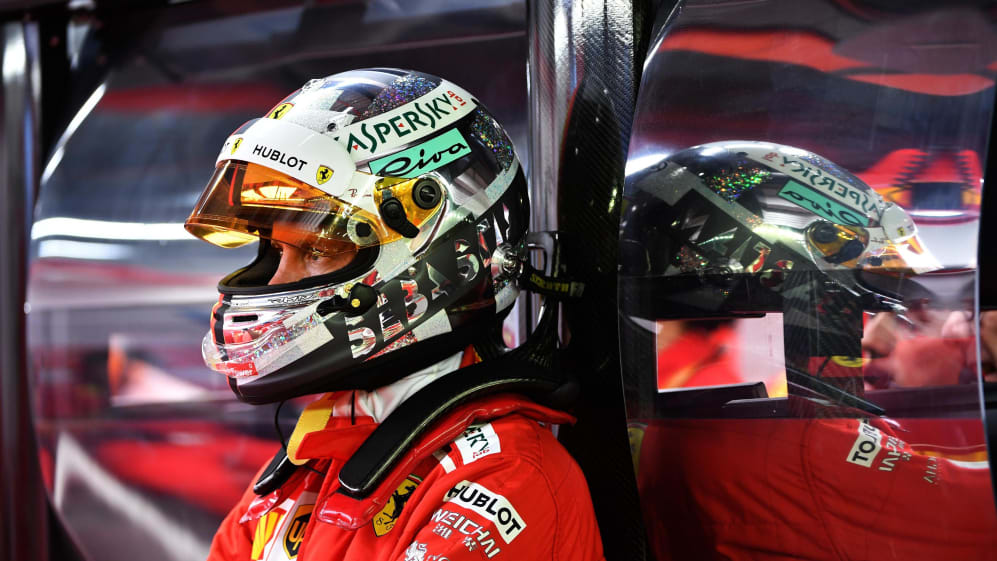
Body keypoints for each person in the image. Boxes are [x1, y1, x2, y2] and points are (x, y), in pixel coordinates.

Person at [184, 68, 604, 561]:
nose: (276, 283)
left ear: (441, 253)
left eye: (317, 250)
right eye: (276, 251)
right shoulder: (306, 464)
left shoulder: (503, 481)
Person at [619, 141, 997, 560]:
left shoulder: (709, 418)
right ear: (773, 290)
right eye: (851, 306)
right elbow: (977, 509)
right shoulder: (796, 450)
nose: (865, 335)